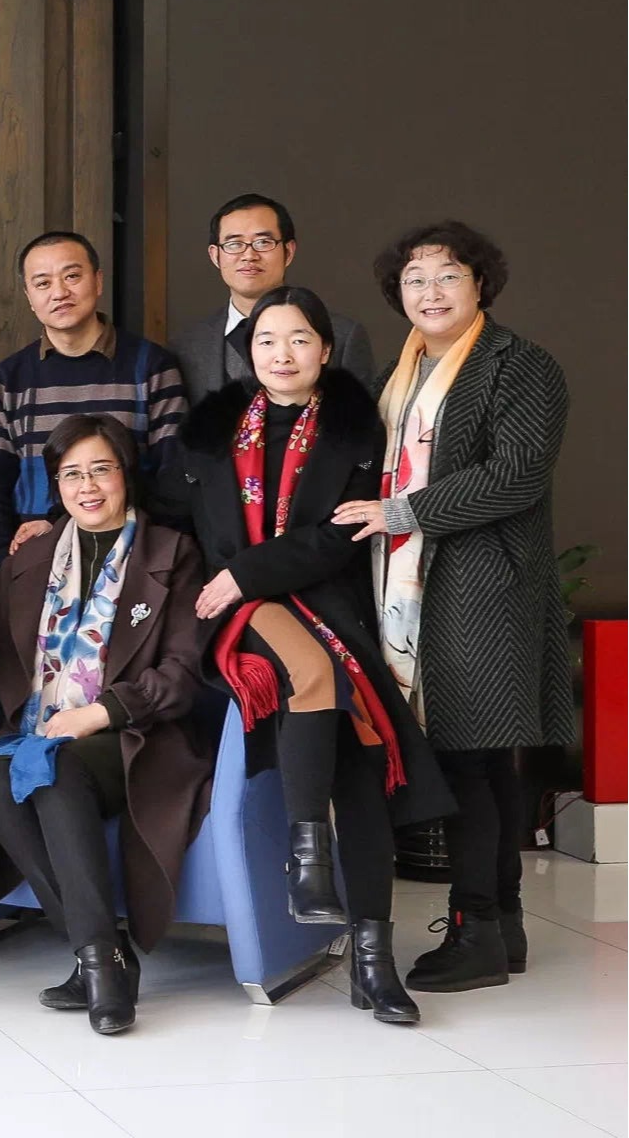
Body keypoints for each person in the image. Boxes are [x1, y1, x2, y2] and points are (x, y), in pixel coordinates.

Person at [176, 287, 452, 1025]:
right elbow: (176, 516)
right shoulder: (210, 427)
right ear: (248, 352)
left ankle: (372, 961)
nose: (282, 354)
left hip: (321, 600)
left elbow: (339, 535)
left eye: (299, 339)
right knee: (314, 673)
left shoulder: (355, 429)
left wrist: (248, 571)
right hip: (236, 611)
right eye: (267, 340)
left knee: (360, 756)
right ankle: (308, 853)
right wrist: (234, 580)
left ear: (325, 350)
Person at [334, 221, 571, 993]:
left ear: (479, 284)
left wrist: (401, 511)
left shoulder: (519, 363)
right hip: (412, 588)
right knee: (480, 761)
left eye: (446, 275)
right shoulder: (398, 371)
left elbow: (517, 473)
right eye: (414, 279)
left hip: (483, 585)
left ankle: (475, 928)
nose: (429, 291)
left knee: (471, 758)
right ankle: (499, 926)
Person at [0, 415, 207, 1036]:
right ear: (55, 485)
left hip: (137, 737)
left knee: (54, 769)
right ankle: (104, 955)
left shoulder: (171, 553)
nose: (87, 487)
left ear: (126, 475)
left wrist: (99, 713)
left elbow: (182, 672)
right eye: (71, 475)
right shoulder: (32, 558)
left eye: (100, 470)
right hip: (45, 728)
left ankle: (97, 969)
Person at [0, 232, 186, 572]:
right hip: (34, 563)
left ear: (98, 281)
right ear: (29, 296)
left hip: (132, 561)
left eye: (72, 276)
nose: (59, 292)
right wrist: (6, 569)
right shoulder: (9, 378)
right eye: (43, 283)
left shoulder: (152, 366)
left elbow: (173, 476)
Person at [169, 193, 374, 397]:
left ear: (288, 252)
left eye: (263, 242)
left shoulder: (342, 336)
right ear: (215, 256)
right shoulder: (186, 345)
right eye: (234, 244)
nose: (249, 255)